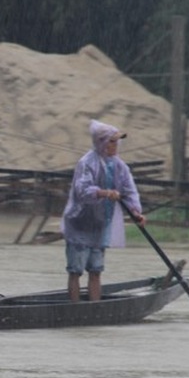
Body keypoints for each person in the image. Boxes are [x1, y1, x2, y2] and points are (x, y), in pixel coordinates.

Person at [60, 119, 146, 302]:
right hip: (80, 222)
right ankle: (74, 308)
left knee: (96, 270)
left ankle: (95, 307)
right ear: (102, 142)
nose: (115, 145)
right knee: (76, 270)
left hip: (101, 224)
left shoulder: (119, 165)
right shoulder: (86, 163)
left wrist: (136, 211)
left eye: (117, 141)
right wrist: (104, 193)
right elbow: (82, 191)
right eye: (112, 141)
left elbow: (129, 190)